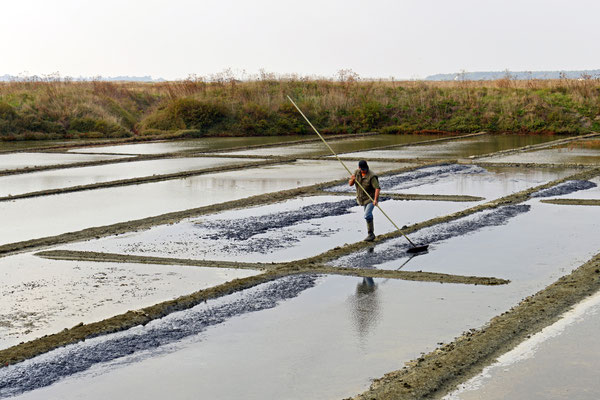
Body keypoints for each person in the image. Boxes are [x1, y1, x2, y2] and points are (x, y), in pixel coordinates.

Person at [348, 160, 380, 241]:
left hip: (371, 198)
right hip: (363, 199)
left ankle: (371, 234)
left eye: (365, 169)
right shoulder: (356, 172)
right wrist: (352, 179)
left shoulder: (372, 176)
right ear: (359, 168)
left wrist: (375, 200)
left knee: (367, 215)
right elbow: (350, 184)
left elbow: (377, 188)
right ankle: (371, 234)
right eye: (363, 169)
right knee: (367, 216)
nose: (364, 171)